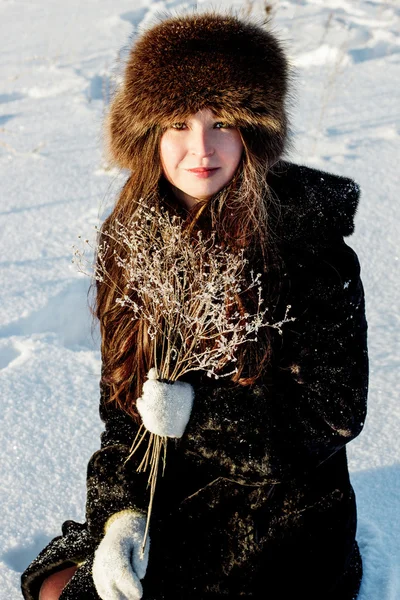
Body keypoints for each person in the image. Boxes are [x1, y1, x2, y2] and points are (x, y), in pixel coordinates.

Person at [21, 10, 369, 600]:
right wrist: (119, 515)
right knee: (62, 588)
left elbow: (335, 412)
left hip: (279, 512)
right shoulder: (132, 238)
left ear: (253, 134)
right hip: (170, 490)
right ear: (148, 133)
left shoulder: (308, 244)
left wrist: (199, 415)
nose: (199, 149)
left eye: (221, 124)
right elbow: (121, 409)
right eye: (178, 123)